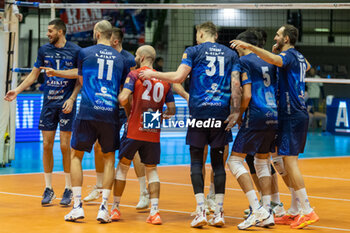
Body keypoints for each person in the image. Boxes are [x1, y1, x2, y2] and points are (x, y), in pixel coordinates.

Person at [140, 21, 241, 228]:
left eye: (197, 34)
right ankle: (219, 212)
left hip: (199, 114)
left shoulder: (193, 51)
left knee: (196, 162)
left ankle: (201, 210)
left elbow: (178, 77)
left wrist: (154, 74)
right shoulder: (231, 55)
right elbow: (236, 85)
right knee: (218, 163)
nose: (196, 38)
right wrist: (236, 111)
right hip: (220, 114)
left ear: (203, 33)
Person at [231, 24, 319, 229]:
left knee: (289, 162)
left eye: (279, 35)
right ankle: (294, 209)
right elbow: (306, 65)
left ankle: (307, 210)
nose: (275, 38)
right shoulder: (297, 56)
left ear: (286, 39)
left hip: (289, 114)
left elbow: (274, 60)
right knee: (278, 159)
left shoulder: (284, 57)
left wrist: (250, 47)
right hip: (290, 113)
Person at [4, 19, 81, 206]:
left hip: (66, 104)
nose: (48, 34)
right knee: (46, 145)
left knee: (65, 146)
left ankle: (69, 188)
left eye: (51, 31)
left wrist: (71, 99)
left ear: (61, 32)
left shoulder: (76, 51)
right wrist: (18, 90)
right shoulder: (44, 50)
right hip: (48, 103)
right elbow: (34, 74)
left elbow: (80, 76)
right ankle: (49, 188)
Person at [64, 20, 125, 223]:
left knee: (76, 156)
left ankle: (77, 206)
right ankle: (104, 208)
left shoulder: (84, 53)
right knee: (109, 158)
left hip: (88, 110)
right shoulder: (120, 58)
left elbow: (81, 79)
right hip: (110, 113)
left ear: (98, 34)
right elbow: (123, 90)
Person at [83, 27, 150, 210]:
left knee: (134, 149)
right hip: (107, 107)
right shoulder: (102, 57)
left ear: (114, 41)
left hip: (126, 108)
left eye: (107, 38)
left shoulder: (128, 59)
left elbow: (137, 83)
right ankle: (98, 187)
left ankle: (144, 192)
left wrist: (133, 109)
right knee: (99, 146)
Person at [110, 45, 175, 224]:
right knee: (152, 170)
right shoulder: (164, 81)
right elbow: (172, 109)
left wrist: (130, 111)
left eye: (137, 55)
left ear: (143, 57)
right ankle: (154, 212)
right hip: (152, 126)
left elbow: (123, 98)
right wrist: (157, 115)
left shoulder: (135, 75)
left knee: (122, 167)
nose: (135, 58)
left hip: (134, 126)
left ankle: (115, 208)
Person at [227, 30, 279, 230]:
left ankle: (257, 209)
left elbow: (246, 94)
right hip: (273, 115)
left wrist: (238, 114)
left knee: (235, 161)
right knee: (261, 161)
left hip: (256, 114)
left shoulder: (243, 62)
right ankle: (267, 211)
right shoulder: (269, 61)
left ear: (242, 44)